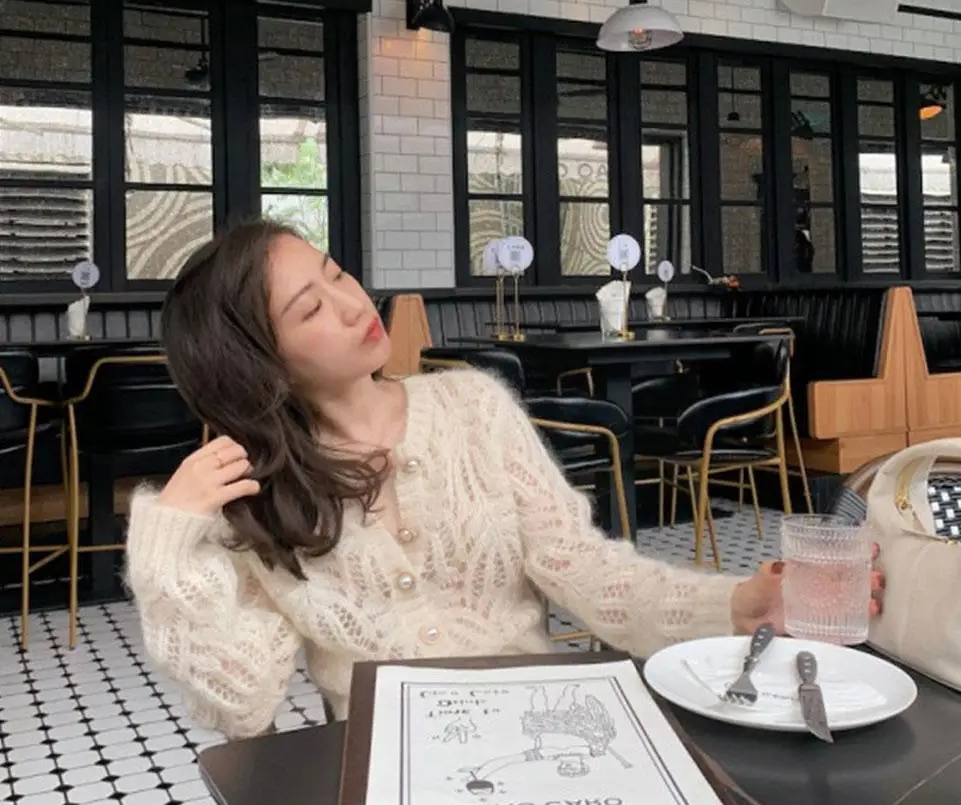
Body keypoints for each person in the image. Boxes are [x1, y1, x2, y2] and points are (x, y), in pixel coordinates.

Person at [125, 218, 884, 739]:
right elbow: (240, 705)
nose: (354, 303)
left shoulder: (471, 406)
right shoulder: (257, 496)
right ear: (261, 360)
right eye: (310, 308)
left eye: (337, 272)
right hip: (388, 758)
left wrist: (738, 602)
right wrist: (167, 544)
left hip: (546, 724)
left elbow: (587, 572)